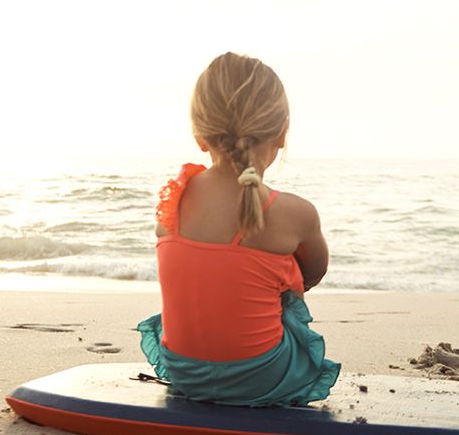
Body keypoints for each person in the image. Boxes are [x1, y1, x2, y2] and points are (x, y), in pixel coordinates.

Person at [137, 52, 340, 405]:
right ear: (281, 133)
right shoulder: (296, 213)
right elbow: (312, 275)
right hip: (263, 376)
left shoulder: (174, 199)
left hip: (184, 370)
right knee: (282, 275)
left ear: (200, 136)